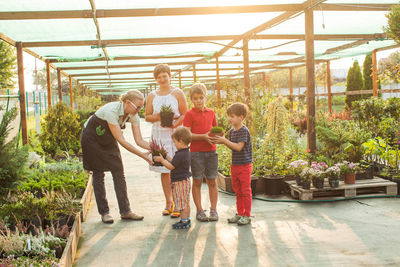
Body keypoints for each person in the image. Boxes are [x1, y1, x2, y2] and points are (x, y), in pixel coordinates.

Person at [81, 89, 152, 224]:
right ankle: (105, 213)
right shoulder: (111, 111)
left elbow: (139, 140)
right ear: (127, 102)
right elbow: (122, 140)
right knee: (98, 173)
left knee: (118, 171)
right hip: (92, 138)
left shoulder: (133, 115)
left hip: (108, 138)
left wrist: (155, 148)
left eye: (141, 107)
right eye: (137, 107)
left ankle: (126, 211)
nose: (139, 110)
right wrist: (143, 156)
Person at [145, 64, 188, 217]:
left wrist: (174, 124)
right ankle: (168, 202)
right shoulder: (152, 95)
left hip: (175, 134)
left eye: (165, 75)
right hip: (158, 134)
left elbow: (184, 113)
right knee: (164, 170)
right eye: (159, 77)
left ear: (170, 76)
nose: (162, 79)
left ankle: (178, 203)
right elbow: (147, 115)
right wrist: (158, 117)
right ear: (155, 79)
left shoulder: (177, 93)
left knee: (175, 168)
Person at [212, 103, 253, 225]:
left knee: (245, 191)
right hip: (235, 165)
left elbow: (239, 147)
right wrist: (221, 140)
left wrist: (224, 141)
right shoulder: (232, 131)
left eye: (232, 116)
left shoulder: (243, 131)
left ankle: (247, 215)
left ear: (241, 117)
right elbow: (232, 147)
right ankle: (240, 213)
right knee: (238, 191)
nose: (229, 119)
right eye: (228, 116)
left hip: (245, 166)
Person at [183, 83, 219, 222]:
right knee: (197, 181)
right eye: (195, 98)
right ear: (191, 99)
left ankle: (214, 210)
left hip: (211, 151)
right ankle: (199, 210)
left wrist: (218, 137)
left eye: (201, 97)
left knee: (212, 181)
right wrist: (204, 136)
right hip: (196, 153)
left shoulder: (211, 113)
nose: (199, 100)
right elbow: (187, 135)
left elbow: (216, 130)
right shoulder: (189, 114)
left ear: (205, 97)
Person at [153, 127, 192, 229]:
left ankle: (183, 221)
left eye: (175, 142)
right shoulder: (185, 152)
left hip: (180, 182)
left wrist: (162, 161)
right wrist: (165, 157)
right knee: (186, 202)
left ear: (181, 141)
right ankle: (187, 219)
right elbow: (174, 162)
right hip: (185, 181)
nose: (174, 145)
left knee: (181, 203)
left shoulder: (180, 154)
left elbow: (171, 166)